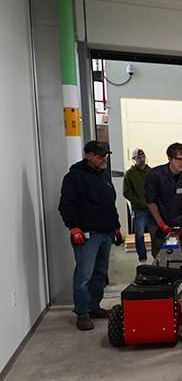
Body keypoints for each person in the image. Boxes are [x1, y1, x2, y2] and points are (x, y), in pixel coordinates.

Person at [58, 141, 123, 331]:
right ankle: (83, 312)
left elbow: (109, 204)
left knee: (99, 274)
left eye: (105, 155)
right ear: (88, 155)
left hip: (105, 232)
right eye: (100, 155)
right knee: (84, 274)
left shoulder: (102, 176)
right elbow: (66, 205)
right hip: (87, 235)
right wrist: (74, 228)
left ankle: (94, 307)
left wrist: (116, 226)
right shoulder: (75, 177)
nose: (104, 159)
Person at [145, 142, 182, 258]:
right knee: (159, 257)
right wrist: (161, 223)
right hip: (159, 221)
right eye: (178, 159)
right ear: (170, 158)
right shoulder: (155, 175)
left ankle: (179, 273)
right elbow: (150, 201)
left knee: (180, 256)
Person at [123, 148, 151, 263]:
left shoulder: (151, 172)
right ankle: (142, 258)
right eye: (139, 157)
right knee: (139, 235)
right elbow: (126, 192)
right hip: (139, 210)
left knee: (156, 234)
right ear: (134, 159)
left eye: (143, 156)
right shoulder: (130, 174)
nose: (142, 159)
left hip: (153, 209)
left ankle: (158, 256)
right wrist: (139, 202)